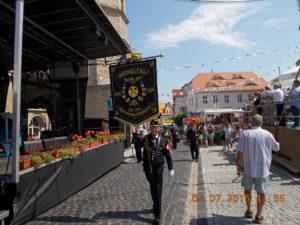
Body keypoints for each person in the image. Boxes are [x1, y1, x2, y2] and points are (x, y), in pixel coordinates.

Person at [236, 114, 279, 224]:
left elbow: (240, 153)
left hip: (248, 168)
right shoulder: (267, 134)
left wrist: (238, 165)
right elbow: (276, 148)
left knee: (247, 189)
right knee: (261, 192)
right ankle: (259, 215)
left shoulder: (245, 134)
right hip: (262, 169)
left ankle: (249, 209)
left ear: (251, 123)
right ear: (261, 123)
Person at [141, 119, 174, 224]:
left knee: (158, 190)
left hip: (159, 169)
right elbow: (137, 146)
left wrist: (170, 168)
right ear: (150, 129)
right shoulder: (145, 139)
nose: (154, 129)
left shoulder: (164, 140)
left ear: (159, 128)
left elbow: (168, 156)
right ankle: (155, 205)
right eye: (152, 127)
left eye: (156, 127)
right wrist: (136, 134)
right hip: (148, 170)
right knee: (152, 188)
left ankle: (157, 215)